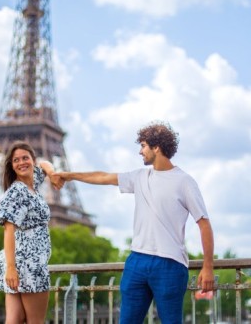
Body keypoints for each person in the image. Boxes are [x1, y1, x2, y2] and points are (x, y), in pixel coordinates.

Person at [53, 121, 215, 324]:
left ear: (156, 147)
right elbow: (103, 176)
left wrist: (207, 266)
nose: (140, 151)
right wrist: (68, 176)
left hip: (170, 264)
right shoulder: (139, 176)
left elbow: (204, 224)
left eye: (143, 146)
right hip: (137, 261)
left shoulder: (184, 182)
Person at [0, 141, 60, 324]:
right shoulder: (17, 191)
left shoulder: (32, 183)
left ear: (33, 160)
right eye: (16, 160)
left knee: (15, 320)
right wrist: (11, 268)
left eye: (25, 158)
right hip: (29, 265)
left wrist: (52, 173)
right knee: (35, 321)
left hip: (22, 263)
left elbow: (45, 164)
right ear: (11, 165)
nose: (21, 163)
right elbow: (8, 230)